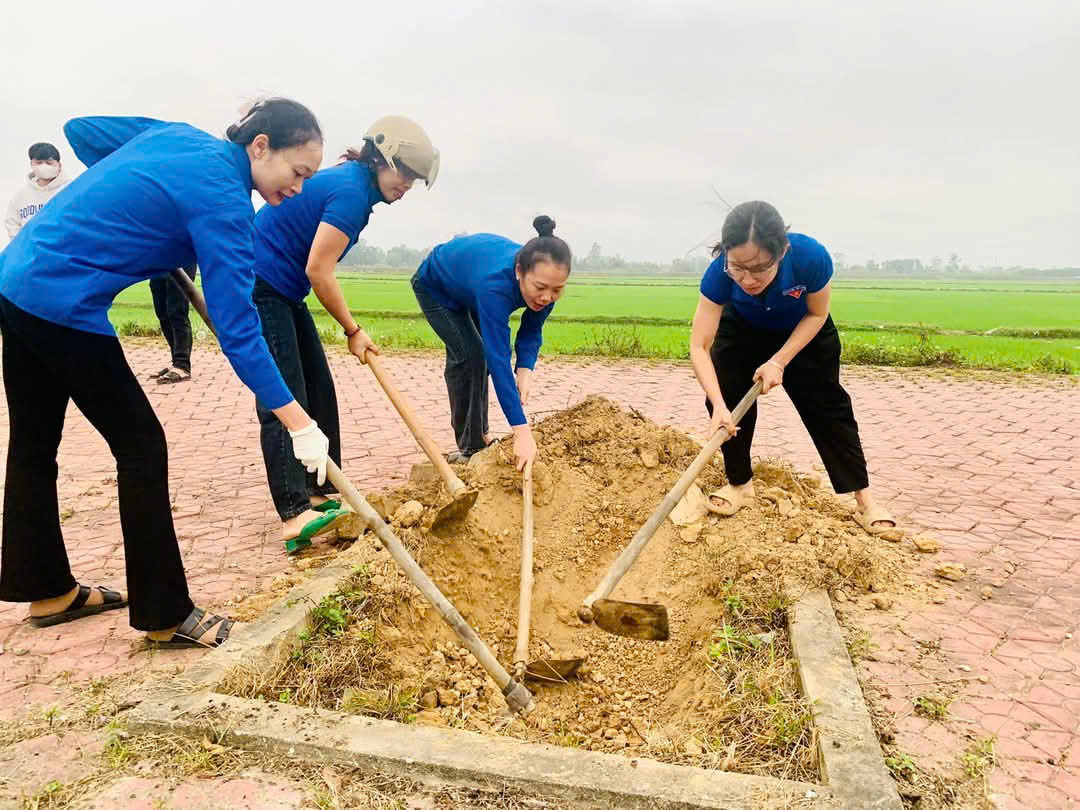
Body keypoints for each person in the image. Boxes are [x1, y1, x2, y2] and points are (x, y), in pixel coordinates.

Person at [0, 99, 334, 648]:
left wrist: (147, 193)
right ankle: (165, 615)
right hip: (63, 305)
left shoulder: (178, 136)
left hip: (16, 282)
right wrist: (299, 422)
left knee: (34, 445)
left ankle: (47, 591)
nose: (298, 187)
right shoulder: (226, 204)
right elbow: (238, 330)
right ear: (260, 146)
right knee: (142, 448)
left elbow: (81, 132)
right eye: (297, 172)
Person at [252, 115, 439, 553]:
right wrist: (353, 330)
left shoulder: (357, 186)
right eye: (404, 172)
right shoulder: (352, 193)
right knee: (284, 396)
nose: (407, 184)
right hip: (259, 284)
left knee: (318, 387)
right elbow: (319, 269)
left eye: (414, 178)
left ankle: (318, 493)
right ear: (379, 159)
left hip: (283, 290)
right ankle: (294, 512)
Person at [688, 200, 896, 534]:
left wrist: (779, 361)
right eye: (737, 268)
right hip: (742, 328)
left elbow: (817, 314)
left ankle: (864, 500)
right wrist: (719, 406)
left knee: (828, 407)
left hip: (804, 329)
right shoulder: (718, 275)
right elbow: (699, 346)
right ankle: (740, 485)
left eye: (759, 269)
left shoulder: (810, 258)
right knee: (725, 399)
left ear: (781, 252)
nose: (748, 279)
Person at [412, 217, 571, 471]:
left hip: (468, 283)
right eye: (540, 287)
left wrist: (525, 369)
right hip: (436, 284)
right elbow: (498, 358)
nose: (547, 297)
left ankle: (477, 438)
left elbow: (531, 331)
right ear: (519, 271)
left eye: (556, 290)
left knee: (479, 357)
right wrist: (522, 432)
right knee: (470, 357)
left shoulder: (546, 285)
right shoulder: (495, 288)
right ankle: (470, 448)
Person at [5, 142, 71, 238]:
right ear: (32, 164)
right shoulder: (21, 195)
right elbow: (12, 224)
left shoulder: (70, 189)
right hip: (30, 250)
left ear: (59, 165)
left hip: (61, 248)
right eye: (39, 163)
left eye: (49, 162)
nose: (44, 166)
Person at [148, 263, 198, 384]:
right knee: (162, 313)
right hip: (159, 263)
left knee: (177, 313)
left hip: (182, 261)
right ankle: (175, 361)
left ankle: (182, 365)